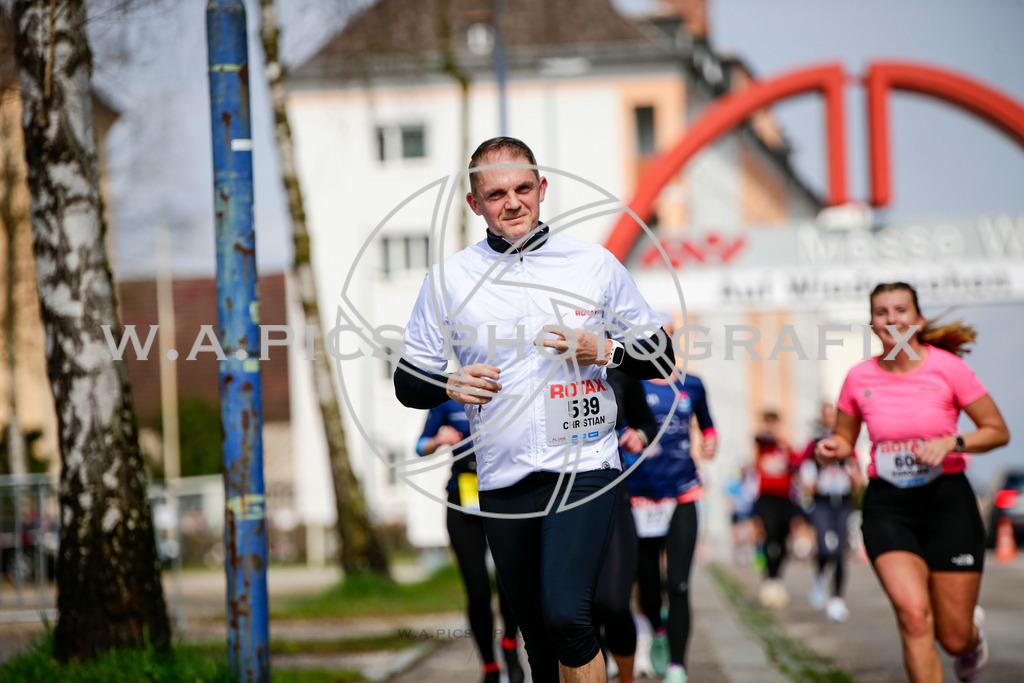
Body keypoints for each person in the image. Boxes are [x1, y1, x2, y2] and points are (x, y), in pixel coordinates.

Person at [394, 136, 675, 682]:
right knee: (539, 644)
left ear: (542, 190)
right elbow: (408, 382)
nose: (513, 202)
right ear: (475, 203)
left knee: (568, 616)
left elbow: (661, 354)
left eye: (524, 188)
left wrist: (606, 350)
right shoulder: (448, 280)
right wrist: (449, 383)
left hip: (585, 468)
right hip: (500, 480)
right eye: (496, 193)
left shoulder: (593, 264)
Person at [815, 282, 1009, 682]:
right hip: (889, 506)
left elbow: (996, 431)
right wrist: (832, 446)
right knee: (914, 618)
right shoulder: (858, 378)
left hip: (948, 502)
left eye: (901, 310)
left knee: (953, 638)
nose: (892, 319)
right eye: (882, 312)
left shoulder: (947, 368)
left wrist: (953, 442)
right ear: (872, 324)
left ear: (918, 320)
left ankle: (972, 639)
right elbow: (845, 439)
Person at [624, 331, 717, 683]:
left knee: (678, 583)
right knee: (647, 584)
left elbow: (708, 427)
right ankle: (659, 631)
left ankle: (678, 666)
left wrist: (709, 444)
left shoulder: (691, 384)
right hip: (638, 497)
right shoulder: (626, 383)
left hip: (683, 493)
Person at [416, 399, 525, 683]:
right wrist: (438, 440)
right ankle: (489, 665)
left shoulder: (507, 387)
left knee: (510, 583)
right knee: (477, 591)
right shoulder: (447, 396)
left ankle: (510, 646)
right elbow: (419, 446)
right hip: (462, 497)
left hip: (504, 492)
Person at [798, 402, 863, 622]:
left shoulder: (848, 443)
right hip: (822, 502)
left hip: (843, 502)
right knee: (825, 548)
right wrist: (809, 484)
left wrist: (857, 483)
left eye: (833, 416)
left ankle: (837, 599)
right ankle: (819, 577)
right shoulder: (814, 443)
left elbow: (856, 472)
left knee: (841, 550)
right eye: (827, 416)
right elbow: (803, 468)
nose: (830, 420)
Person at [750, 410, 801, 609]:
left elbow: (797, 463)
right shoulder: (763, 444)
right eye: (768, 423)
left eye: (774, 423)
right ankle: (769, 578)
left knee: (783, 541)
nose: (771, 427)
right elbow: (760, 438)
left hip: (785, 500)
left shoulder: (786, 447)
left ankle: (777, 578)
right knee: (769, 537)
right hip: (766, 499)